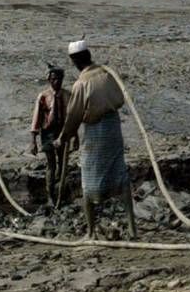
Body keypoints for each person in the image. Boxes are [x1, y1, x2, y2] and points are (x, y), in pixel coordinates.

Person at [58, 40, 136, 238]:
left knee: (89, 180)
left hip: (96, 132)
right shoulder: (107, 74)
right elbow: (120, 97)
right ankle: (132, 227)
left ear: (74, 61)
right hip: (113, 128)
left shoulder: (81, 83)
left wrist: (64, 137)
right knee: (120, 173)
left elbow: (73, 115)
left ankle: (91, 231)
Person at [30, 65, 69, 204]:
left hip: (63, 132)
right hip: (48, 133)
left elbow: (71, 117)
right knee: (51, 164)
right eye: (53, 79)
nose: (56, 82)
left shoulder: (67, 95)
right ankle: (50, 195)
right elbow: (36, 118)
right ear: (49, 80)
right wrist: (33, 140)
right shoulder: (43, 96)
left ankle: (61, 193)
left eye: (59, 79)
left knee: (63, 163)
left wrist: (74, 136)